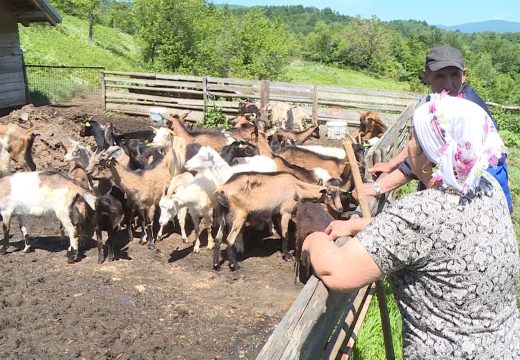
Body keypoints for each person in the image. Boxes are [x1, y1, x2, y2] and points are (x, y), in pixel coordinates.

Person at [302, 94, 520, 359]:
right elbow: (435, 236)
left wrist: (314, 238)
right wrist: (358, 225)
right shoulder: (487, 187)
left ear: (429, 162)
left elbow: (336, 271)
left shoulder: (422, 211)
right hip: (504, 346)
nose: (408, 146)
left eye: (415, 138)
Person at [357, 45, 513, 213]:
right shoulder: (441, 102)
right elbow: (419, 145)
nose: (448, 84)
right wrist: (391, 164)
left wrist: (377, 188)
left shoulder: (464, 110)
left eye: (455, 75)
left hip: (479, 198)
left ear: (464, 75)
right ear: (426, 76)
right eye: (440, 76)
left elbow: (419, 161)